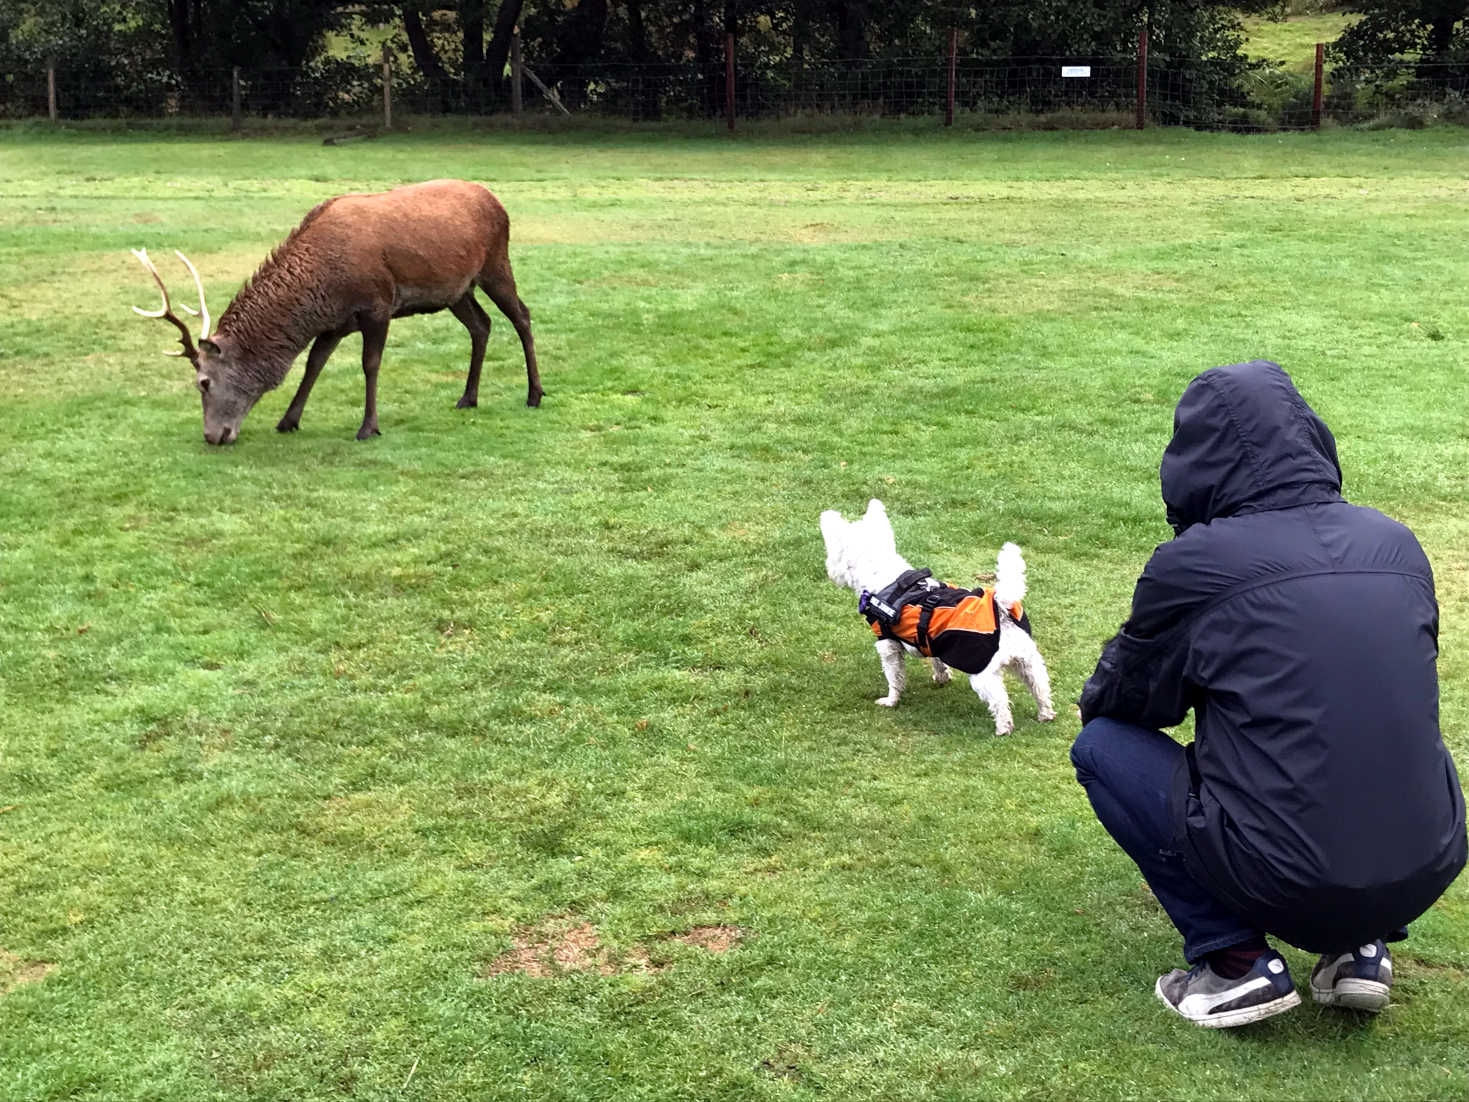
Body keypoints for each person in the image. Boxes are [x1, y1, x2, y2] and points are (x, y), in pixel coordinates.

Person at [1071, 359, 1466, 1028]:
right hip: (1426, 860)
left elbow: (1122, 704)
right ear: (1311, 437)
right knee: (1359, 725)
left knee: (1103, 747)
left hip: (1288, 870)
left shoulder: (1197, 564)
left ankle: (1233, 963)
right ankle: (1359, 948)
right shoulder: (1396, 543)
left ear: (1193, 459)